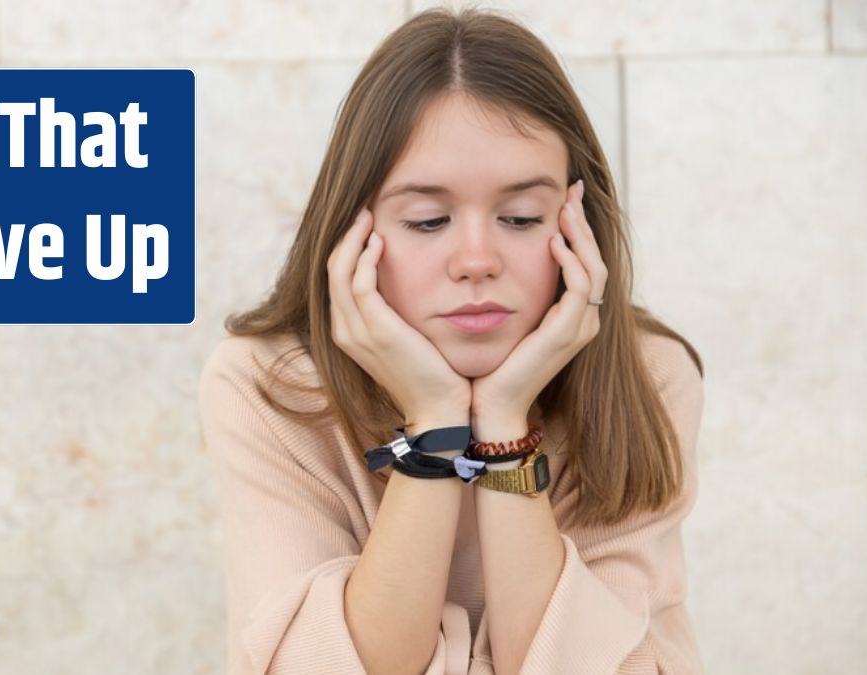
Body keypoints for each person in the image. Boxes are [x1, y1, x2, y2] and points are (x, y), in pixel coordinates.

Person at [198, 7, 706, 674]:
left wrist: (504, 424)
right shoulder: (267, 386)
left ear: (579, 225)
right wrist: (436, 423)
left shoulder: (650, 376)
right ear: (353, 233)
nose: (476, 259)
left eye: (521, 218)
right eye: (429, 219)